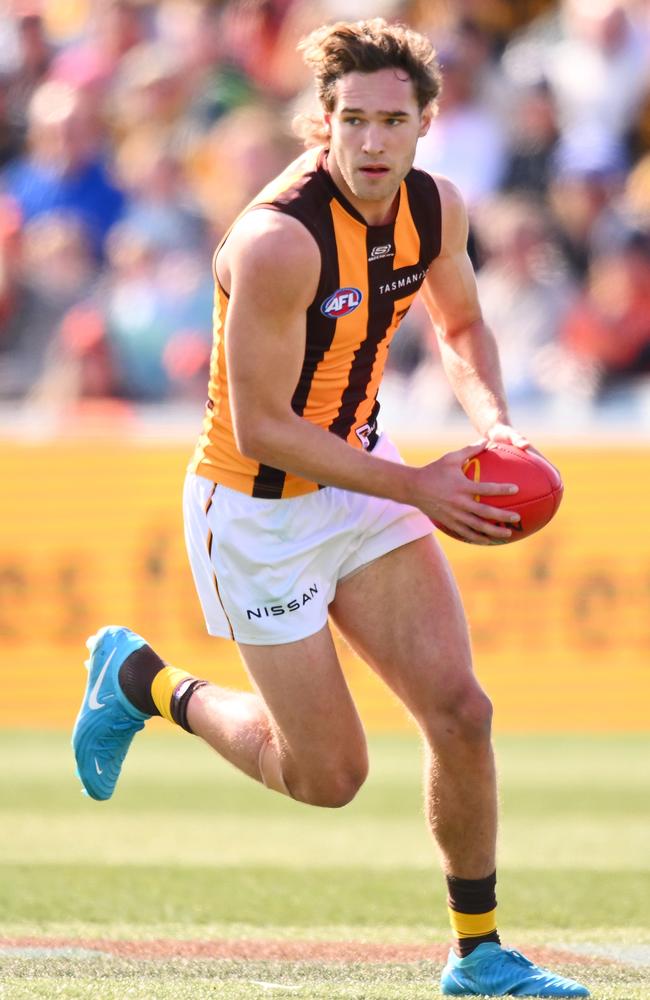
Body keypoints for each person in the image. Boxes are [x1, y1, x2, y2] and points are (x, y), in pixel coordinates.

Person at [72, 18, 589, 998]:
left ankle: (477, 954)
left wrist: (496, 428)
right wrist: (422, 486)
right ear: (321, 122)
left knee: (460, 710)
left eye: (391, 120)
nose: (369, 141)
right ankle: (142, 681)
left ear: (426, 123)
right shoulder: (274, 240)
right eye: (350, 119)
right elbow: (264, 427)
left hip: (357, 472)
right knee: (327, 777)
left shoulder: (433, 207)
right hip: (256, 506)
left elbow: (464, 323)